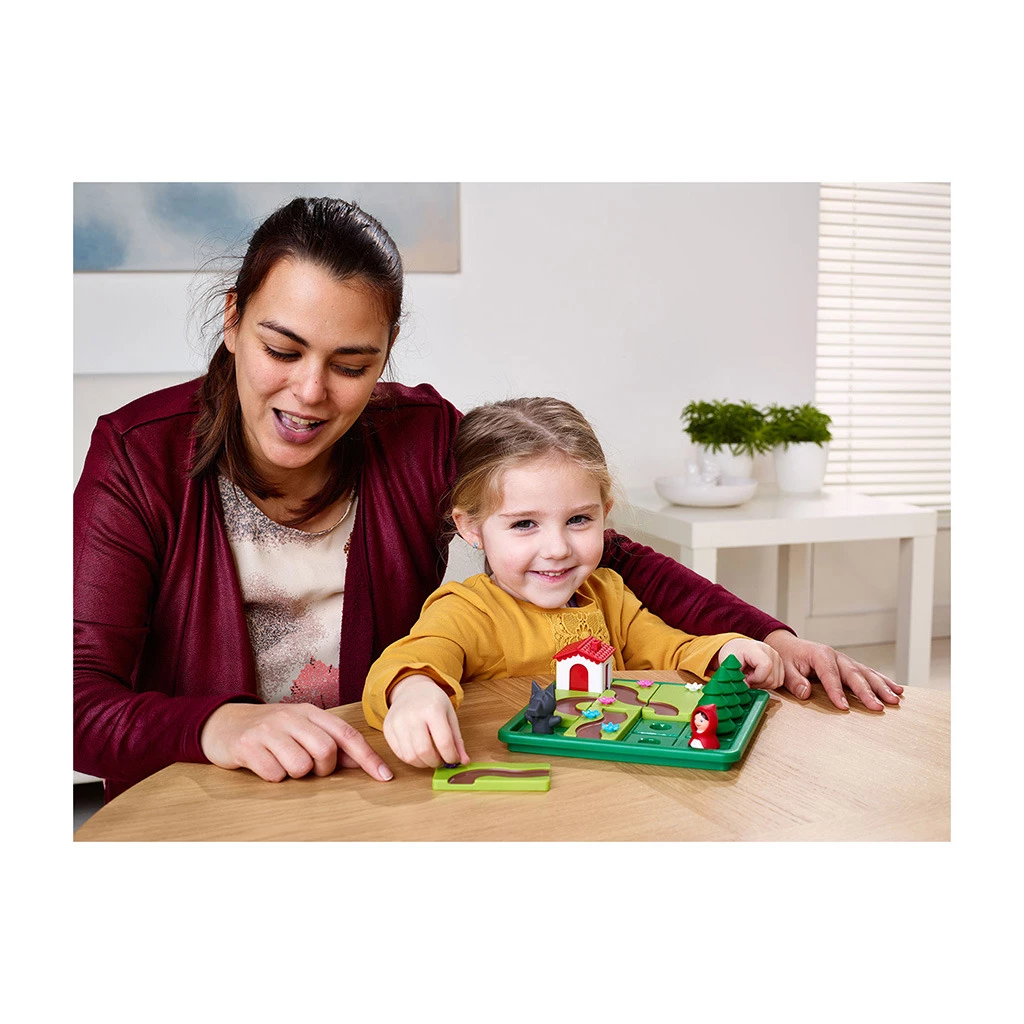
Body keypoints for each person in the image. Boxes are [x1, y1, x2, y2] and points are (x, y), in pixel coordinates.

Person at [74, 196, 902, 802]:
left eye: (352, 364)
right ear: (232, 320)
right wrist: (217, 724)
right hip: (203, 795)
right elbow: (74, 699)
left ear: (386, 352)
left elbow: (605, 558)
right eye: (282, 350)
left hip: (381, 786)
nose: (312, 391)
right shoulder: (137, 456)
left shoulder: (421, 438)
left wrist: (770, 635)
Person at [363, 397, 786, 766]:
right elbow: (414, 658)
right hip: (516, 789)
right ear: (471, 527)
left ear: (605, 513)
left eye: (578, 519)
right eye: (525, 524)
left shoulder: (610, 595)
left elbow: (672, 649)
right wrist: (414, 690)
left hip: (611, 784)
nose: (557, 548)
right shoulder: (466, 610)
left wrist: (726, 650)